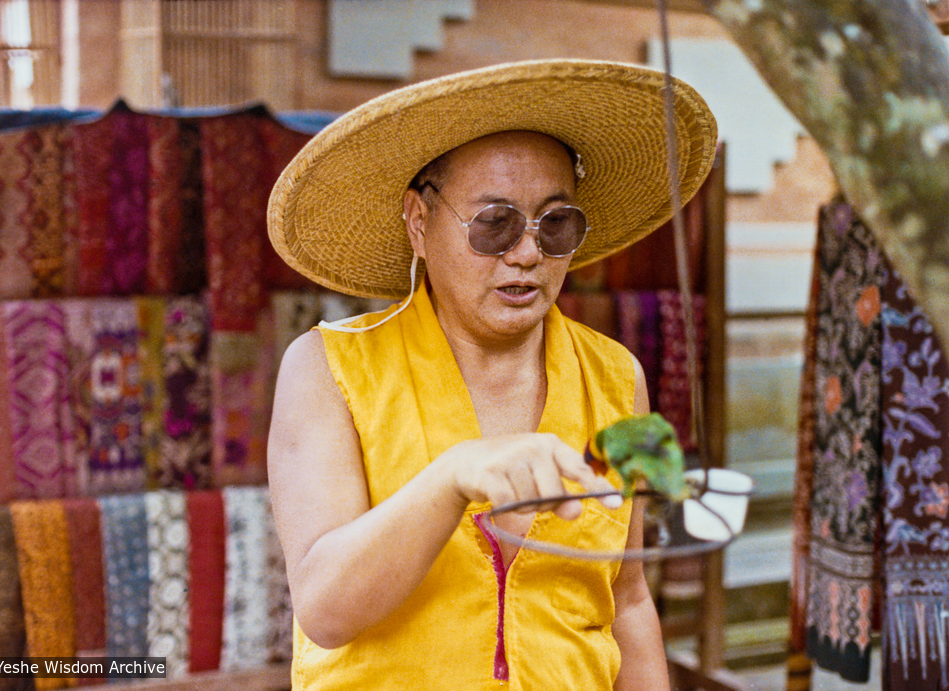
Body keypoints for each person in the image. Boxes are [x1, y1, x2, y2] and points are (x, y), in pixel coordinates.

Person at [266, 59, 716, 690]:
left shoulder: (617, 378)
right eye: (494, 223)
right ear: (419, 223)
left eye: (555, 224)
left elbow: (629, 598)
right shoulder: (329, 368)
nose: (527, 252)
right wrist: (450, 479)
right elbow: (325, 609)